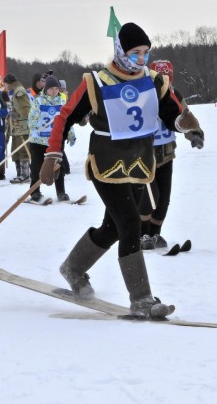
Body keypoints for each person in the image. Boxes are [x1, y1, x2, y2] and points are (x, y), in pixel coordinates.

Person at [39, 22, 204, 320]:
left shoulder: (154, 81)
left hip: (140, 164)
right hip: (106, 164)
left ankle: (73, 268)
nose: (141, 59)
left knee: (113, 228)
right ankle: (141, 299)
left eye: (145, 53)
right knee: (131, 224)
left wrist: (188, 126)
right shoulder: (97, 82)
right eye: (135, 53)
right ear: (120, 52)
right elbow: (65, 116)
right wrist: (52, 155)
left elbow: (173, 115)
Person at [137, 59, 204, 250]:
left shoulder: (174, 94)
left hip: (166, 152)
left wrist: (195, 134)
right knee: (151, 196)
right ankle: (143, 234)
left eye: (168, 78)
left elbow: (186, 117)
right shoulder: (144, 95)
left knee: (164, 197)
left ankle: (155, 233)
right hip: (145, 153)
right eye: (161, 78)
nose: (165, 81)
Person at [27, 75, 70, 203]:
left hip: (55, 141)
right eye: (51, 88)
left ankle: (61, 192)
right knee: (36, 167)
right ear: (46, 89)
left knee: (59, 166)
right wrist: (34, 130)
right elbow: (32, 118)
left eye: (56, 88)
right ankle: (35, 192)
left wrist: (70, 134)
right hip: (38, 141)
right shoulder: (38, 101)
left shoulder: (62, 102)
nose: (54, 91)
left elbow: (67, 120)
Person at [3, 73, 32, 184]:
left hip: (22, 127)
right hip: (15, 126)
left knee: (23, 150)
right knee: (15, 151)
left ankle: (25, 175)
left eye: (5, 83)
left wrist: (18, 114)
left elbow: (27, 108)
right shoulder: (13, 92)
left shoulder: (19, 91)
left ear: (9, 83)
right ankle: (19, 174)